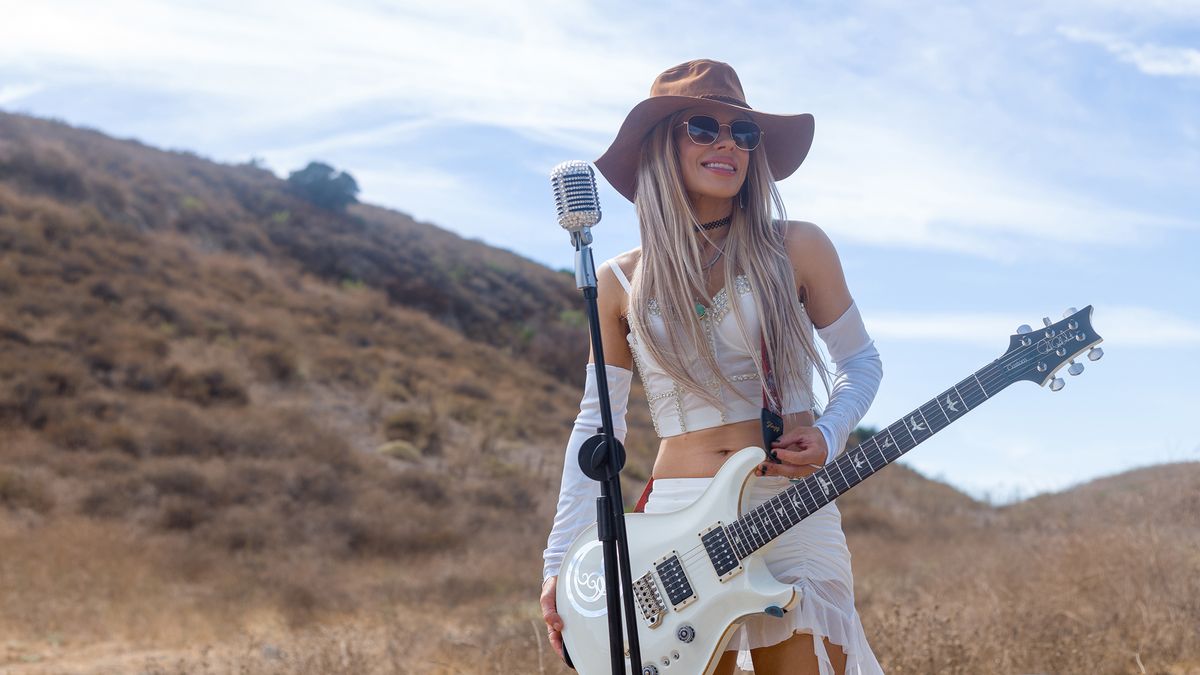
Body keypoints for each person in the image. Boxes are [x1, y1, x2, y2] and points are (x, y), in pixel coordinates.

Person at [539, 59, 885, 675]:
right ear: (661, 146)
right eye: (703, 127)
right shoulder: (619, 281)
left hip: (791, 502)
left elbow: (860, 362)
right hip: (675, 522)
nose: (728, 142)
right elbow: (597, 430)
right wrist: (559, 564)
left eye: (743, 133)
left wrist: (830, 436)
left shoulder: (796, 246)